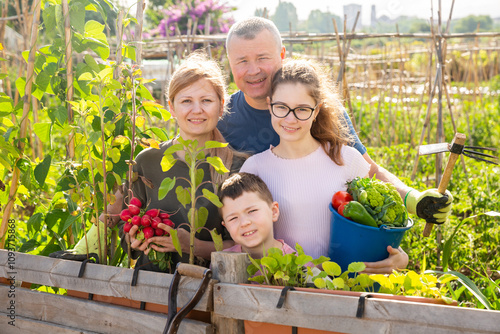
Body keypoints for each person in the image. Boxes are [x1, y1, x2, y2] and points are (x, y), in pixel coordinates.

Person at [217, 16, 453, 235]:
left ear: (281, 54)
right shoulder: (222, 117)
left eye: (262, 58)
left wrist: (413, 199)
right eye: (242, 61)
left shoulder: (325, 111)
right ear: (229, 62)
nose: (253, 70)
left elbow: (368, 172)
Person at [240, 58, 408, 273]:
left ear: (317, 110)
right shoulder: (255, 168)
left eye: (302, 109)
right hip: (283, 290)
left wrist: (399, 258)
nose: (290, 119)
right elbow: (246, 239)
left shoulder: (346, 159)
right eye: (281, 107)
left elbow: (376, 225)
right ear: (269, 105)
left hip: (345, 288)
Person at [219, 172, 295, 259]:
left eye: (252, 211)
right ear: (226, 227)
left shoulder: (299, 266)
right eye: (233, 218)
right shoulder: (221, 261)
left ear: (273, 211)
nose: (244, 223)